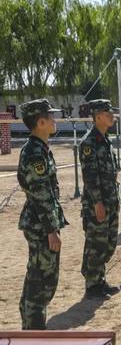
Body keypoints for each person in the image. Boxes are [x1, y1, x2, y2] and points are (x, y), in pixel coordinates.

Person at [17, 99, 66, 330]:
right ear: (41, 122)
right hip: (40, 226)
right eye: (51, 116)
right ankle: (33, 331)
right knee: (41, 281)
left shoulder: (40, 149)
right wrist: (51, 230)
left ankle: (33, 327)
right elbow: (40, 195)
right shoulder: (34, 154)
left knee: (43, 278)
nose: (55, 120)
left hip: (42, 224)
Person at [79, 99, 121, 299]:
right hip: (97, 203)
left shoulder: (105, 140)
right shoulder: (89, 143)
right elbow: (90, 177)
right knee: (96, 244)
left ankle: (99, 280)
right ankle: (92, 285)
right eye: (108, 113)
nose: (112, 116)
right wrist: (98, 203)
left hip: (110, 200)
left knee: (108, 243)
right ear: (97, 117)